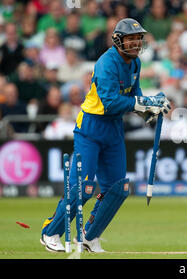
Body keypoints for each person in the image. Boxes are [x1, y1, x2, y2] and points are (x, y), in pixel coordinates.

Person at [40, 18, 170, 253]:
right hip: (91, 127)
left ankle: (89, 237)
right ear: (118, 41)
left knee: (118, 188)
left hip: (113, 129)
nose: (135, 44)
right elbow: (110, 102)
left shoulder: (136, 63)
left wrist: (151, 111)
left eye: (138, 39)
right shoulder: (106, 63)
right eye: (130, 39)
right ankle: (50, 233)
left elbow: (134, 95)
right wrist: (145, 103)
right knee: (83, 186)